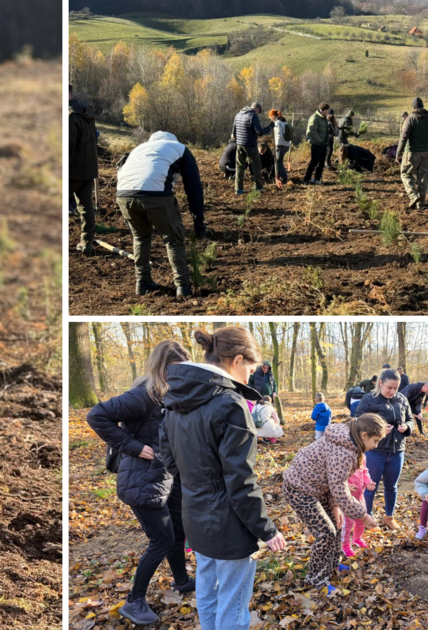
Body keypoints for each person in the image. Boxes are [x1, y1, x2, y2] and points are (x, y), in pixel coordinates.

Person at [158, 327, 286, 630]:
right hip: (229, 526)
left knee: (208, 590)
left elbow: (170, 460)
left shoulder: (175, 399)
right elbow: (240, 480)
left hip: (195, 515)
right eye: (251, 370)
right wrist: (266, 530)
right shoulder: (230, 404)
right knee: (233, 603)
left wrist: (198, 489)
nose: (249, 377)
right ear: (237, 360)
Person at [87, 341, 194, 625]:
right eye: (177, 370)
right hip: (142, 480)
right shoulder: (142, 396)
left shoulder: (167, 394)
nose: (182, 375)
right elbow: (96, 415)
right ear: (164, 368)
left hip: (164, 476)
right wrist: (132, 446)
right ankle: (134, 601)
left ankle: (182, 581)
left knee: (177, 532)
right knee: (161, 540)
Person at [282, 414, 383, 594]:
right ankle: (316, 580)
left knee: (337, 524)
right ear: (364, 435)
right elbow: (338, 487)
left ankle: (332, 564)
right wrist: (363, 515)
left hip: (317, 487)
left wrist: (335, 507)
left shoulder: (350, 444)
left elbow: (336, 480)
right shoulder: (344, 451)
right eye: (375, 441)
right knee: (326, 532)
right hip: (299, 489)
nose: (375, 446)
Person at [115, 131, 205, 298]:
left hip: (124, 194)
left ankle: (142, 283)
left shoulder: (139, 149)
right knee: (173, 239)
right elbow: (193, 187)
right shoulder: (180, 149)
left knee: (140, 237)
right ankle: (183, 287)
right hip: (156, 195)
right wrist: (198, 219)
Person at [355, 369, 414, 530]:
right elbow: (358, 422)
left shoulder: (402, 399)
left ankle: (389, 517)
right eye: (389, 387)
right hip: (375, 452)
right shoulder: (368, 400)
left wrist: (406, 427)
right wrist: (379, 429)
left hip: (397, 450)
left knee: (392, 486)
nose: (392, 391)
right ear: (380, 383)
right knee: (370, 486)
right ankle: (367, 518)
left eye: (395, 388)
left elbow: (410, 419)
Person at [69, 85, 99, 256]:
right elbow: (94, 138)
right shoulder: (86, 112)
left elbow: (69, 145)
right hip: (88, 168)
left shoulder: (71, 116)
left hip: (73, 169)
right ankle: (87, 243)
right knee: (86, 206)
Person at [398, 97, 428, 210]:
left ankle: (413, 196)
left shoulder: (410, 119)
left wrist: (399, 153)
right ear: (422, 106)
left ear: (413, 108)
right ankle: (421, 203)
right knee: (423, 178)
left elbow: (403, 137)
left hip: (411, 153)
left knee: (405, 174)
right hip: (426, 153)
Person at [232, 102, 272, 194]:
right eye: (258, 112)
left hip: (239, 145)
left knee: (239, 166)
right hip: (250, 145)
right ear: (257, 110)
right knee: (257, 166)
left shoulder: (238, 114)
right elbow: (260, 132)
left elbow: (233, 132)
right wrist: (270, 127)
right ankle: (258, 187)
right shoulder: (253, 116)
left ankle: (238, 189)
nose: (258, 114)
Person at [342, 455, 376, 558]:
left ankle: (357, 538)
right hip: (347, 499)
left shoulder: (362, 456)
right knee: (347, 523)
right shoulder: (343, 456)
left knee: (361, 520)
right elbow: (338, 478)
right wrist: (347, 486)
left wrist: (368, 482)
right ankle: (345, 545)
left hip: (360, 496)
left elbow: (364, 471)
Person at [303, 103, 332, 185]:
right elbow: (313, 132)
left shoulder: (323, 118)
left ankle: (317, 179)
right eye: (326, 110)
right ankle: (306, 179)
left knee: (321, 163)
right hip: (316, 144)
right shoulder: (314, 118)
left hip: (323, 144)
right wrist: (321, 141)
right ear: (322, 110)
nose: (327, 112)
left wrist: (325, 142)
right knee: (314, 162)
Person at [270, 109, 290, 186]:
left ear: (272, 116)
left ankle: (284, 177)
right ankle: (280, 176)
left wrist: (276, 145)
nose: (270, 118)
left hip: (280, 145)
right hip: (286, 144)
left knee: (278, 162)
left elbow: (278, 135)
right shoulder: (284, 122)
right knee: (279, 161)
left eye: (270, 117)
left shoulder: (277, 123)